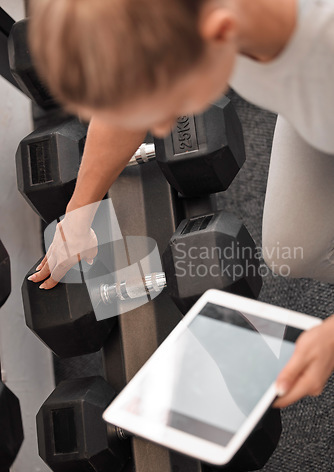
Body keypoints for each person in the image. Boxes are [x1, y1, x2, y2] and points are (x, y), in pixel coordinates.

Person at [27, 0, 334, 408]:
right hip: (308, 104)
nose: (159, 128)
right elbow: (129, 92)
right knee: (289, 252)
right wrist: (80, 211)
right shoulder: (201, 17)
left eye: (166, 107)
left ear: (221, 31)